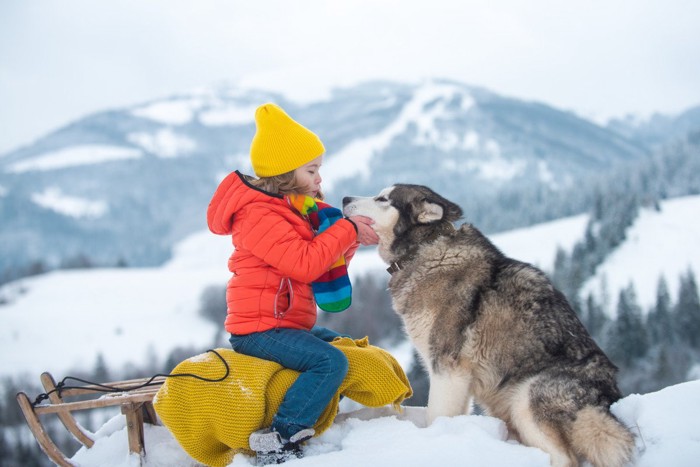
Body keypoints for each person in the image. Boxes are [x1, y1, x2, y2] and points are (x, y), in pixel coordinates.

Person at [206, 103, 378, 463]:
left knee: (340, 345)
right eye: (312, 170)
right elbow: (303, 264)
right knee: (330, 363)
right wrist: (346, 229)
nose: (319, 179)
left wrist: (350, 240)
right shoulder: (258, 215)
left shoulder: (293, 210)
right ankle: (280, 438)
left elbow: (320, 265)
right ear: (286, 173)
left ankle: (335, 416)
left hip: (285, 324)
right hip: (259, 330)